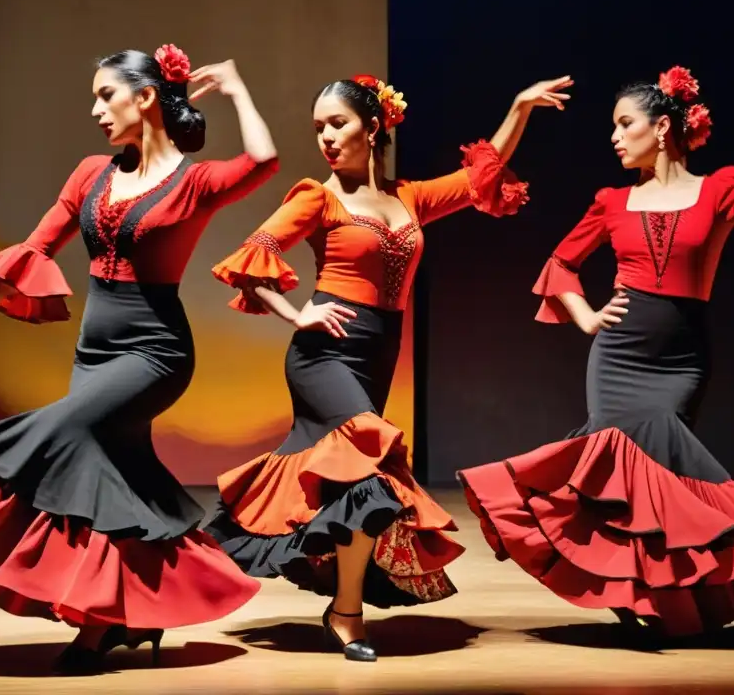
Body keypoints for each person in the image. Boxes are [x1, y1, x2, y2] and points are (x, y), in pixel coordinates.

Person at [458, 65, 734, 638]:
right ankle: (638, 598)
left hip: (680, 361)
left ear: (661, 128)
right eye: (613, 126)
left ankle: (664, 597)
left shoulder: (720, 189)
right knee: (614, 471)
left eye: (624, 123)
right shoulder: (612, 201)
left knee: (663, 475)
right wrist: (587, 319)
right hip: (617, 357)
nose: (614, 136)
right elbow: (562, 264)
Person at [0, 44, 280, 672]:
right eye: (95, 97)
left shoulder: (195, 181)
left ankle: (97, 623)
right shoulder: (90, 173)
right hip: (95, 351)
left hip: (154, 353)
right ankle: (110, 624)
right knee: (104, 486)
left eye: (106, 94)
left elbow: (263, 160)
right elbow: (32, 249)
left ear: (145, 97)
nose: (95, 108)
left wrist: (236, 88)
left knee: (65, 431)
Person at [204, 72, 572, 661]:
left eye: (338, 123)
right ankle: (346, 613)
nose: (325, 137)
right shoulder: (316, 196)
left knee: (359, 485)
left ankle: (343, 608)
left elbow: (482, 175)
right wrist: (296, 314)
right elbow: (252, 260)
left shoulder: (410, 197)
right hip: (324, 355)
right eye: (318, 127)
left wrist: (520, 106)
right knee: (373, 466)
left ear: (373, 127)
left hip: (376, 355)